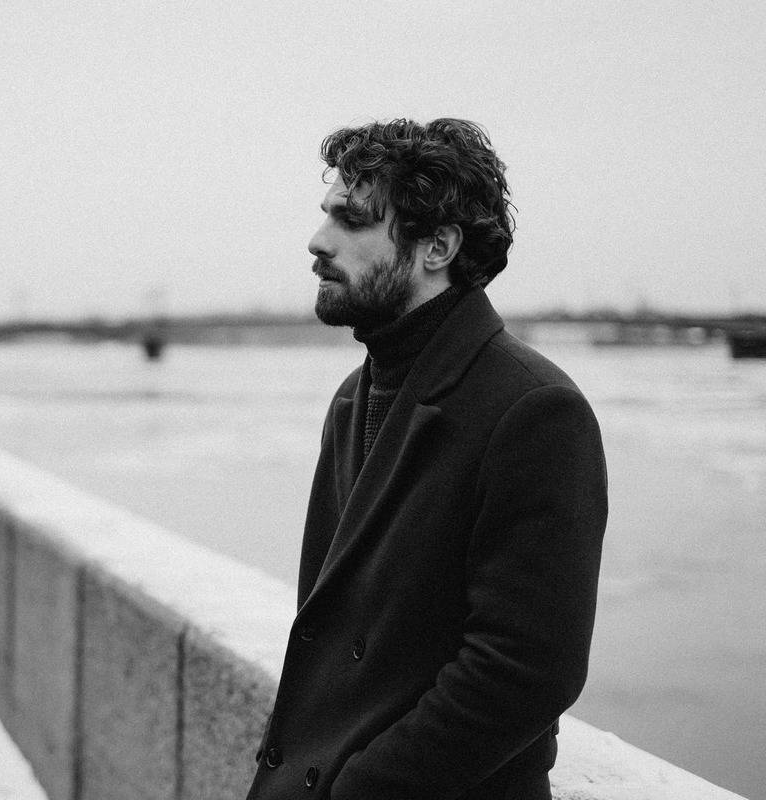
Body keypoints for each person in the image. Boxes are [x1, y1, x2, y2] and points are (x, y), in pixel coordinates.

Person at [247, 119, 607, 800]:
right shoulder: (355, 397)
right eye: (327, 216)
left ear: (437, 246)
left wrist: (361, 790)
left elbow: (527, 670)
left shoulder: (534, 410)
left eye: (352, 221)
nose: (318, 242)